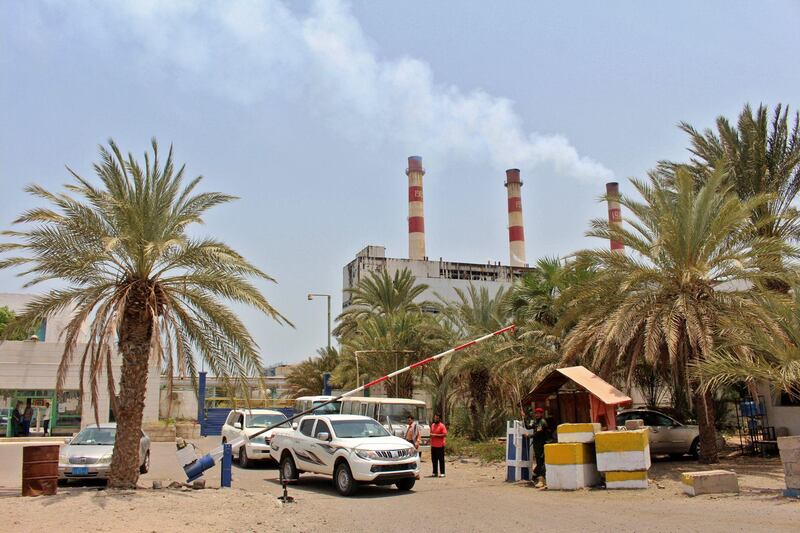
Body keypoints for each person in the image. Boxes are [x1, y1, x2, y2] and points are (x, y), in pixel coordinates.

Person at [523, 406, 548, 488]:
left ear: (541, 414)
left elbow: (538, 433)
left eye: (538, 413)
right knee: (539, 462)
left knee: (541, 462)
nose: (537, 415)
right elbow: (528, 427)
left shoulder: (542, 422)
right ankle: (536, 476)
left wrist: (529, 435)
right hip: (537, 445)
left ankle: (542, 481)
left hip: (542, 445)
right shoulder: (536, 422)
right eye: (536, 413)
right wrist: (524, 418)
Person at [429, 413, 448, 478]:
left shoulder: (442, 426)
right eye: (435, 418)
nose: (436, 419)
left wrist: (435, 435)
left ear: (439, 419)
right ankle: (435, 472)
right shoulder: (432, 425)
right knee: (434, 460)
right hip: (433, 446)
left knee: (441, 460)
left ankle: (442, 473)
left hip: (440, 446)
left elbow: (445, 434)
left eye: (437, 418)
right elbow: (431, 433)